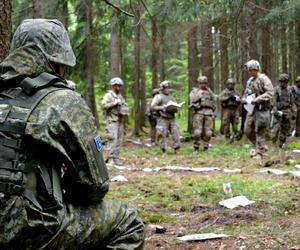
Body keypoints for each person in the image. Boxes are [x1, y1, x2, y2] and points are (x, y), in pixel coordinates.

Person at [0, 19, 144, 249]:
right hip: (29, 230)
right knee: (128, 221)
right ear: (57, 62)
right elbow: (95, 186)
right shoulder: (62, 101)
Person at [242, 60, 274, 160]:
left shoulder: (264, 79)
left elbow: (270, 92)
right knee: (247, 130)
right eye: (249, 70)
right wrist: (243, 99)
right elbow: (247, 92)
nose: (251, 72)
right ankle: (260, 146)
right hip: (251, 109)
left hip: (262, 109)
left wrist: (257, 99)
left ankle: (260, 152)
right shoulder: (250, 81)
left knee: (260, 130)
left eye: (253, 70)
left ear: (257, 69)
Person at [101, 77, 128, 166]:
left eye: (120, 86)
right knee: (112, 139)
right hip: (112, 120)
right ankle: (110, 158)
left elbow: (124, 106)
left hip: (120, 120)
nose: (118, 88)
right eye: (117, 86)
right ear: (113, 86)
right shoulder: (108, 95)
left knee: (119, 140)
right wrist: (114, 103)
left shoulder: (120, 96)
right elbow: (103, 105)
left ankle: (116, 158)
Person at [151, 80, 181, 153]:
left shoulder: (172, 97)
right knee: (162, 134)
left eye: (168, 88)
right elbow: (152, 107)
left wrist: (175, 108)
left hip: (172, 118)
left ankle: (177, 149)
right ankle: (163, 150)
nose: (168, 89)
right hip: (162, 118)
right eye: (166, 88)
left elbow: (176, 107)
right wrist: (162, 107)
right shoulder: (158, 97)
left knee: (176, 132)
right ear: (162, 88)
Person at [189, 76, 216, 151]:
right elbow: (192, 101)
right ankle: (196, 146)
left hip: (209, 113)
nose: (203, 85)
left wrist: (214, 113)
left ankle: (206, 146)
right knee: (197, 132)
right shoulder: (194, 92)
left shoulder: (209, 92)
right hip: (198, 112)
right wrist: (198, 96)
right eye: (201, 83)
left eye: (205, 83)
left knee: (209, 132)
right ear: (198, 83)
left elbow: (214, 102)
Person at [271, 74, 297, 147]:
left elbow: (292, 102)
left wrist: (294, 113)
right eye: (281, 81)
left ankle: (281, 144)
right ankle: (273, 143)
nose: (283, 83)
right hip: (278, 111)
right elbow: (273, 100)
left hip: (287, 111)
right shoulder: (276, 89)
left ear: (287, 82)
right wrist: (275, 109)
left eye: (285, 82)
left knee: (285, 129)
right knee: (276, 128)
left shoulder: (290, 90)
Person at [219, 78, 241, 143]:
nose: (231, 85)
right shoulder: (224, 92)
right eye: (229, 84)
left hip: (235, 109)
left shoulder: (236, 92)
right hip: (227, 109)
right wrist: (228, 98)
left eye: (232, 84)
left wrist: (235, 98)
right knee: (226, 124)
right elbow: (220, 98)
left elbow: (240, 99)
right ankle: (227, 138)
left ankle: (234, 137)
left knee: (235, 124)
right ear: (227, 85)